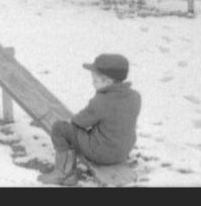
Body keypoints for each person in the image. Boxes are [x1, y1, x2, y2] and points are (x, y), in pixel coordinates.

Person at [38, 52, 141, 186]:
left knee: (60, 128)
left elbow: (81, 121)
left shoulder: (102, 100)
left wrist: (72, 121)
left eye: (95, 80)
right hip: (123, 151)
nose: (92, 83)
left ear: (108, 82)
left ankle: (64, 173)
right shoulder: (135, 97)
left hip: (101, 153)